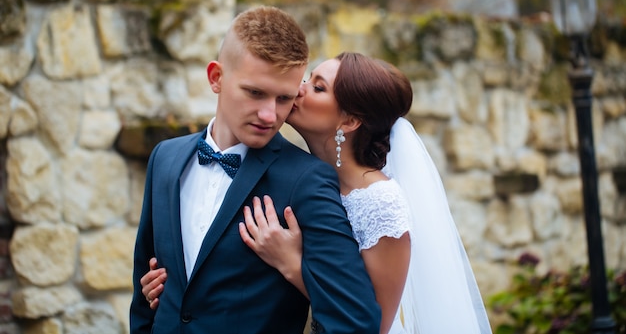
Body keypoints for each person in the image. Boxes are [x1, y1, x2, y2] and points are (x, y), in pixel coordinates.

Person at [141, 51, 493, 333]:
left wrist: (293, 264)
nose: (300, 89)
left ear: (350, 121)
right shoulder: (295, 178)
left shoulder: (380, 202)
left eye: (319, 88)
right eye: (309, 79)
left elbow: (375, 324)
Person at [130, 7, 381, 334]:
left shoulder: (306, 181)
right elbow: (143, 293)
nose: (268, 114)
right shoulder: (165, 157)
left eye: (283, 99)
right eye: (255, 93)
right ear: (216, 78)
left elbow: (357, 321)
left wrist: (295, 267)